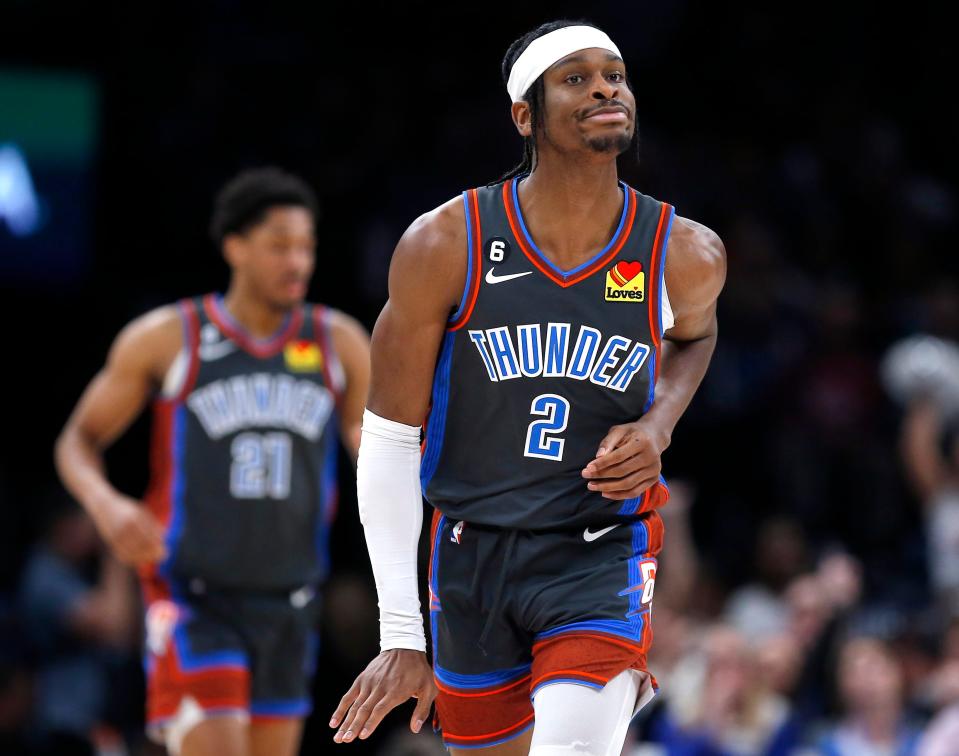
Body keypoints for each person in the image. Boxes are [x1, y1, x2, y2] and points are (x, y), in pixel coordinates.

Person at [331, 19, 726, 755]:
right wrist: (398, 633)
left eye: (614, 73)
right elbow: (387, 440)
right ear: (524, 115)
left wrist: (659, 422)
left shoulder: (683, 251)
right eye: (575, 78)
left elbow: (694, 337)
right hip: (470, 552)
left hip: (598, 547)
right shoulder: (446, 244)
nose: (605, 86)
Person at [55, 167, 371, 756]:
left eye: (306, 246)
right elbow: (77, 441)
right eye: (279, 245)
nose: (297, 261)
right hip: (193, 594)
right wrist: (107, 506)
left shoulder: (337, 341)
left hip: (290, 598)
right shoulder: (171, 338)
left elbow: (374, 445)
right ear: (235, 247)